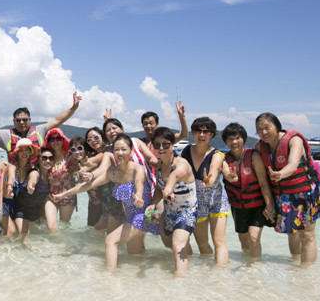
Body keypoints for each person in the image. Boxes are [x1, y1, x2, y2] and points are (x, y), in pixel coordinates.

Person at [54, 134, 158, 271]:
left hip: (145, 215)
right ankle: (144, 280)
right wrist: (63, 194)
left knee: (110, 240)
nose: (120, 153)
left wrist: (138, 196)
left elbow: (139, 184)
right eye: (117, 150)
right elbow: (87, 186)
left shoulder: (137, 169)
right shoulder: (112, 173)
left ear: (131, 151)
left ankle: (109, 275)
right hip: (130, 218)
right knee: (135, 256)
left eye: (124, 149)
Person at [255, 112, 320, 266]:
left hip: (304, 192)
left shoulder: (294, 140)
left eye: (267, 128)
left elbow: (292, 164)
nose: (263, 132)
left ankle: (306, 271)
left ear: (277, 127)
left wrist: (280, 174)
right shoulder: (260, 147)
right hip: (283, 195)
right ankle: (295, 264)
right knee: (291, 232)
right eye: (259, 129)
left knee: (307, 235)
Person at [89, 118, 159, 252]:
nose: (111, 131)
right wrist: (89, 173)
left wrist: (162, 165)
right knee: (135, 248)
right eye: (108, 130)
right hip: (134, 203)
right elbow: (102, 168)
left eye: (114, 128)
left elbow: (151, 158)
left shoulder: (135, 142)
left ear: (122, 129)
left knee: (166, 236)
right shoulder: (110, 152)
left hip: (154, 194)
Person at [0, 92, 82, 161]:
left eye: (25, 120)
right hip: (16, 178)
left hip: (38, 176)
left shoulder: (39, 130)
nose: (22, 122)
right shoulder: (7, 135)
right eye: (18, 120)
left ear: (30, 120)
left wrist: (74, 108)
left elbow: (57, 120)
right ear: (14, 121)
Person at [144, 127, 197, 274]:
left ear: (172, 145)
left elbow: (174, 176)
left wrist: (168, 189)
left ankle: (179, 280)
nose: (161, 148)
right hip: (169, 211)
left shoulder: (181, 164)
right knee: (169, 244)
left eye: (166, 144)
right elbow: (158, 189)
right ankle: (193, 264)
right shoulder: (159, 165)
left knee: (177, 245)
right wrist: (153, 204)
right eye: (157, 145)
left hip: (187, 211)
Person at [180, 117, 230, 265]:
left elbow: (214, 169)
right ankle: (205, 272)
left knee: (219, 241)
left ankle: (220, 273)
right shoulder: (186, 151)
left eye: (206, 131)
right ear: (193, 133)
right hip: (196, 203)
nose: (201, 135)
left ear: (212, 134)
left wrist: (210, 180)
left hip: (216, 201)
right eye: (197, 131)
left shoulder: (217, 155)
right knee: (202, 243)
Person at [221, 123, 274, 260]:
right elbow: (225, 172)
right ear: (226, 141)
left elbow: (263, 183)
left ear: (243, 139)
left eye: (237, 138)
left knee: (254, 237)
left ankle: (255, 266)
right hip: (238, 206)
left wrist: (270, 206)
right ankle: (248, 265)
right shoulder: (224, 159)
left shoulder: (254, 156)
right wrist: (229, 177)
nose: (234, 142)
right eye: (230, 139)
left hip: (257, 205)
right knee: (243, 239)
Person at [10, 146, 53, 247]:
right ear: (39, 160)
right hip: (22, 211)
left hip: (35, 214)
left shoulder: (49, 176)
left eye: (50, 158)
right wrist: (31, 186)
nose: (47, 161)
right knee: (24, 239)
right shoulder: (35, 172)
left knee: (40, 238)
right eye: (44, 158)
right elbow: (32, 180)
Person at [4, 138, 41, 242]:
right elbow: (11, 177)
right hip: (5, 203)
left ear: (30, 152)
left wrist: (31, 186)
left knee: (25, 235)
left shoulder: (30, 169)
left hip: (18, 206)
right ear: (17, 152)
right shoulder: (12, 165)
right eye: (21, 150)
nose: (24, 153)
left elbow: (33, 178)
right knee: (10, 233)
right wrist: (10, 186)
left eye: (27, 150)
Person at [43, 128, 78, 231]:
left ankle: (63, 242)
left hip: (68, 196)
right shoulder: (48, 157)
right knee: (51, 227)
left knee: (64, 226)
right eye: (52, 139)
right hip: (51, 196)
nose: (55, 141)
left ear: (63, 140)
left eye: (58, 138)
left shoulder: (71, 156)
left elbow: (82, 162)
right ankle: (51, 242)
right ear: (49, 142)